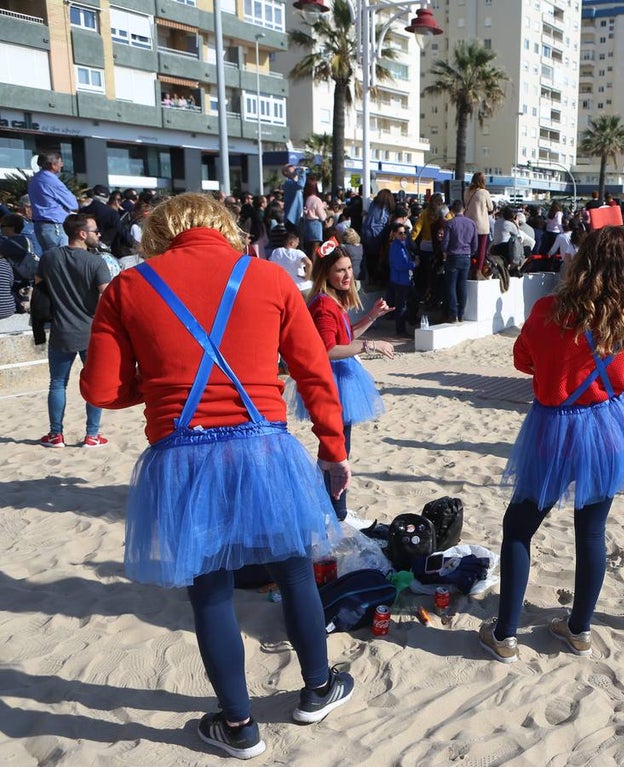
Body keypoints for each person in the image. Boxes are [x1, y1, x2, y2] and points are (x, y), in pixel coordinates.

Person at [79, 193, 355, 759]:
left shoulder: (127, 287)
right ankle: (317, 690)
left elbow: (101, 391)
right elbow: (313, 370)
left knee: (209, 589)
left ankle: (238, 726)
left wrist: (157, 387)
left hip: (182, 454)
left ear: (160, 232)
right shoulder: (268, 278)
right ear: (223, 227)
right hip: (264, 450)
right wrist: (333, 446)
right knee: (295, 571)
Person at [480, 226, 624, 663]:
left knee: (519, 527)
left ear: (581, 262)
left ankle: (504, 635)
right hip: (610, 426)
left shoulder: (547, 311)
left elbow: (522, 361)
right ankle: (579, 630)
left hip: (555, 427)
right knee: (591, 531)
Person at [300, 238, 395, 524]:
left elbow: (345, 337)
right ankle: (333, 511)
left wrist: (371, 316)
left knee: (339, 446)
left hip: (342, 382)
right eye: (339, 270)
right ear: (326, 273)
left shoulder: (332, 301)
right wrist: (372, 346)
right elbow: (328, 350)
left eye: (349, 268)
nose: (347, 275)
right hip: (335, 384)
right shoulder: (322, 305)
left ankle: (331, 509)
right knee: (336, 448)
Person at [35, 214, 110, 448]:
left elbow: (38, 284)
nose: (98, 234)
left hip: (61, 329)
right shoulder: (96, 262)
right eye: (95, 230)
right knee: (94, 382)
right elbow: (105, 294)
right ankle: (92, 435)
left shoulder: (49, 258)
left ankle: (56, 434)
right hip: (90, 330)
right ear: (82, 233)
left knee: (57, 383)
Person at [27, 151, 78, 253]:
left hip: (40, 225)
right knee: (61, 261)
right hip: (54, 226)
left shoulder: (35, 179)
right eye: (60, 162)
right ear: (52, 165)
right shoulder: (51, 180)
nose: (62, 164)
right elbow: (73, 204)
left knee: (50, 261)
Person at [441, 199, 477, 323]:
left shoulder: (450, 224)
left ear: (452, 210)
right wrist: (470, 252)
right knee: (462, 286)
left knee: (451, 286)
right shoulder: (472, 223)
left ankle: (453, 314)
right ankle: (461, 314)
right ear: (464, 209)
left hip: (453, 256)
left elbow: (445, 242)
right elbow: (475, 244)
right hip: (466, 256)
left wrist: (444, 251)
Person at [463, 172, 494, 278]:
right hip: (481, 225)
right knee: (481, 249)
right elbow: (490, 208)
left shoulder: (467, 191)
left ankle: (470, 267)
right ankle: (478, 271)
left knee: (469, 248)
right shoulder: (484, 192)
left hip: (468, 223)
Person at [386, 221, 415, 335]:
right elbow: (398, 266)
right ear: (394, 234)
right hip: (400, 280)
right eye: (400, 233)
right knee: (401, 306)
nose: (403, 235)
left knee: (410, 301)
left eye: (405, 233)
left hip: (405, 279)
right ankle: (401, 330)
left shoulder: (402, 245)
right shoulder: (396, 247)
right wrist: (413, 264)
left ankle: (406, 323)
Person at [300, 179, 326, 255]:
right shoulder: (316, 200)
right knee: (315, 250)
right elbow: (322, 217)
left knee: (308, 250)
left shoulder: (304, 199)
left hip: (306, 224)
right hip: (315, 224)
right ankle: (314, 266)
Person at [281, 164, 308, 232]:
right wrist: (302, 172)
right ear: (286, 172)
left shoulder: (294, 183)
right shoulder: (288, 183)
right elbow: (301, 185)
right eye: (290, 167)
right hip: (291, 218)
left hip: (298, 217)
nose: (294, 168)